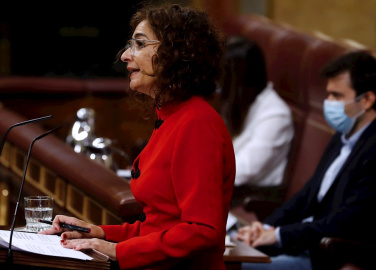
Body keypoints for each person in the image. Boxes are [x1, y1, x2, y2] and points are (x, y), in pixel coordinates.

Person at [40, 4, 235, 270]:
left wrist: (118, 250)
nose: (124, 56)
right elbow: (159, 226)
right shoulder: (171, 116)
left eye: (139, 45)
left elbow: (201, 230)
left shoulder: (197, 123)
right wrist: (99, 233)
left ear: (175, 53)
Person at [235, 51, 376, 270]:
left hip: (328, 256)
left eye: (337, 96)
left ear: (366, 100)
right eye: (328, 95)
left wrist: (279, 235)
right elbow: (308, 193)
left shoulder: (373, 150)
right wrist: (264, 227)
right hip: (303, 243)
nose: (329, 103)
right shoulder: (342, 134)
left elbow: (346, 221)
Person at [219, 36, 294, 196]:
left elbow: (243, 169)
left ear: (239, 82)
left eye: (223, 80)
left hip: (248, 198)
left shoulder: (276, 115)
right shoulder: (236, 104)